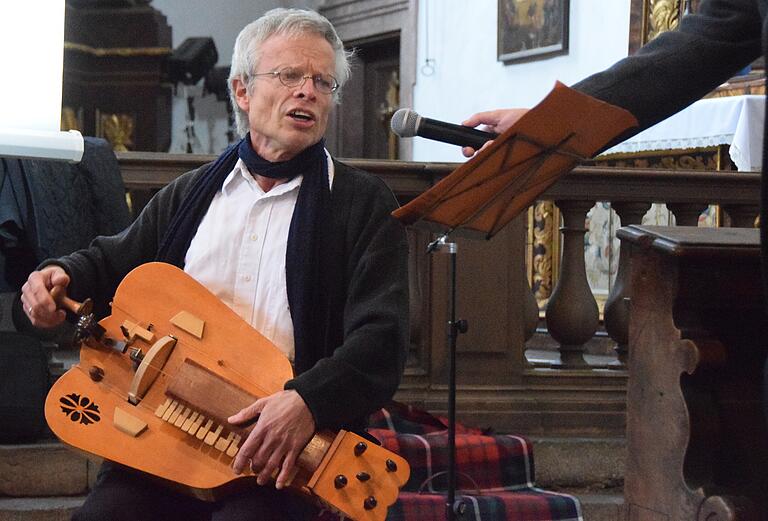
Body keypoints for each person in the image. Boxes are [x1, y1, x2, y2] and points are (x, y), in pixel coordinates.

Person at [20, 8, 408, 521]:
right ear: (243, 91)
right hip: (164, 432)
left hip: (280, 451)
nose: (308, 91)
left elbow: (382, 339)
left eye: (323, 81)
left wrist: (308, 401)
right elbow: (110, 261)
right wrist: (57, 277)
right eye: (290, 75)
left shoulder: (361, 204)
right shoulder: (191, 194)